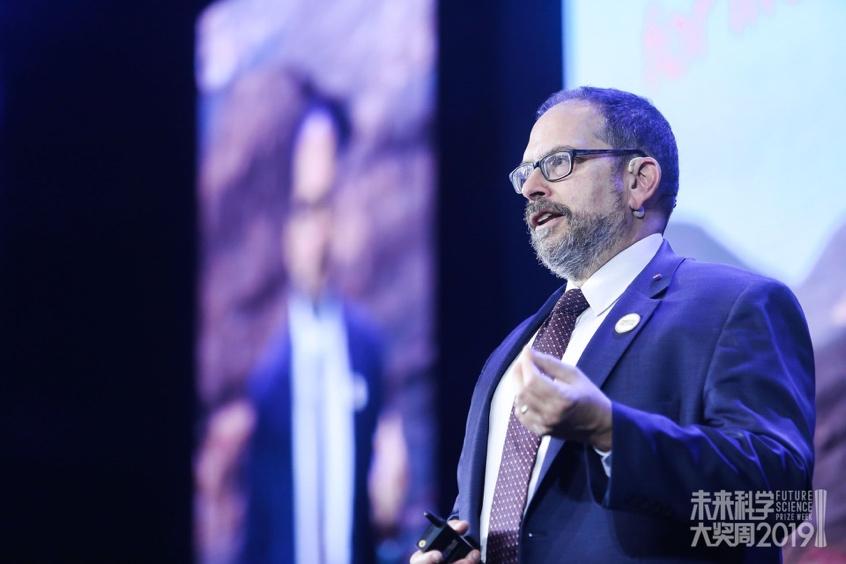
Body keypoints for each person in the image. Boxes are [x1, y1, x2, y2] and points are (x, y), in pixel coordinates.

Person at [412, 87, 814, 563]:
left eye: (558, 163)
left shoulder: (734, 306)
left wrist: (610, 431)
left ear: (638, 180)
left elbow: (778, 505)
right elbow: (481, 517)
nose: (531, 188)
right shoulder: (512, 351)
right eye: (526, 172)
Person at [242, 93, 384, 564]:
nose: (319, 235)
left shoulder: (368, 351)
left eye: (328, 206)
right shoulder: (264, 381)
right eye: (306, 209)